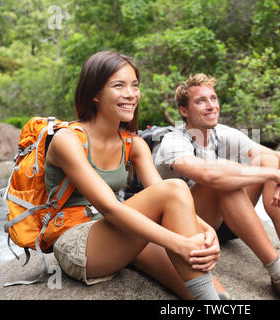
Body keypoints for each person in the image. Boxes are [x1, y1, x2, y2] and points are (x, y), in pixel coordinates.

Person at [46, 52, 224, 300]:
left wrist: (207, 232)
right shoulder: (68, 140)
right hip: (79, 242)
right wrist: (178, 244)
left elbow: (165, 194)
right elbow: (110, 208)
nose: (131, 94)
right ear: (95, 94)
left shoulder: (134, 143)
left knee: (216, 292)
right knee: (174, 191)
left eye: (135, 85)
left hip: (119, 230)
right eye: (118, 85)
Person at [152, 73, 280, 300]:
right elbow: (208, 175)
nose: (210, 106)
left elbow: (275, 156)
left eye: (213, 99)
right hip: (188, 227)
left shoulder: (223, 133)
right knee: (223, 178)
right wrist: (278, 174)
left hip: (224, 223)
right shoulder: (173, 141)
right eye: (201, 101)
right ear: (184, 111)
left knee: (268, 161)